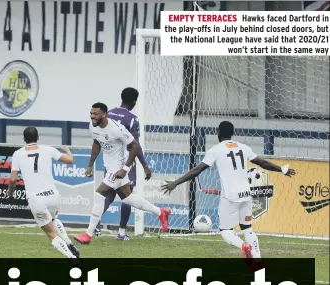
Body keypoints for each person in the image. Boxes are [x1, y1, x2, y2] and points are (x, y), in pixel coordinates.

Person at [161, 121, 296, 266]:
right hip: (246, 194)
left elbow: (197, 170)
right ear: (232, 133)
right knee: (247, 228)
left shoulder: (216, 150)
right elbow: (262, 163)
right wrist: (281, 169)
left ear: (218, 132)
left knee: (225, 231)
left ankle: (243, 246)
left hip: (230, 195)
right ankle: (257, 261)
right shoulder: (243, 147)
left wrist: (175, 183)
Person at [74, 103, 170, 245]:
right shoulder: (92, 126)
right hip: (110, 166)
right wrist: (90, 165)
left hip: (118, 167)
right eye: (91, 113)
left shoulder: (117, 129)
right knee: (128, 198)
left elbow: (134, 146)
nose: (93, 117)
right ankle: (161, 212)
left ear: (104, 114)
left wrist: (125, 168)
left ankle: (88, 234)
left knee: (99, 194)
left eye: (96, 114)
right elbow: (96, 143)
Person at [8, 127, 80, 262]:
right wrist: (67, 151)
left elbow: (12, 179)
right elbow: (70, 160)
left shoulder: (17, 154)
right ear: (38, 138)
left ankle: (72, 259)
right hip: (53, 195)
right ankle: (68, 243)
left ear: (24, 139)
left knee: (51, 234)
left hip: (36, 198)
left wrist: (10, 192)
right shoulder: (48, 149)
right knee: (53, 220)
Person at [94, 87, 152, 240]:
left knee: (110, 193)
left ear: (121, 97)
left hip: (110, 160)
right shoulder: (131, 118)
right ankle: (121, 232)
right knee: (128, 195)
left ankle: (96, 223)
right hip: (126, 161)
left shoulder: (109, 113)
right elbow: (135, 145)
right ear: (134, 102)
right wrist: (145, 166)